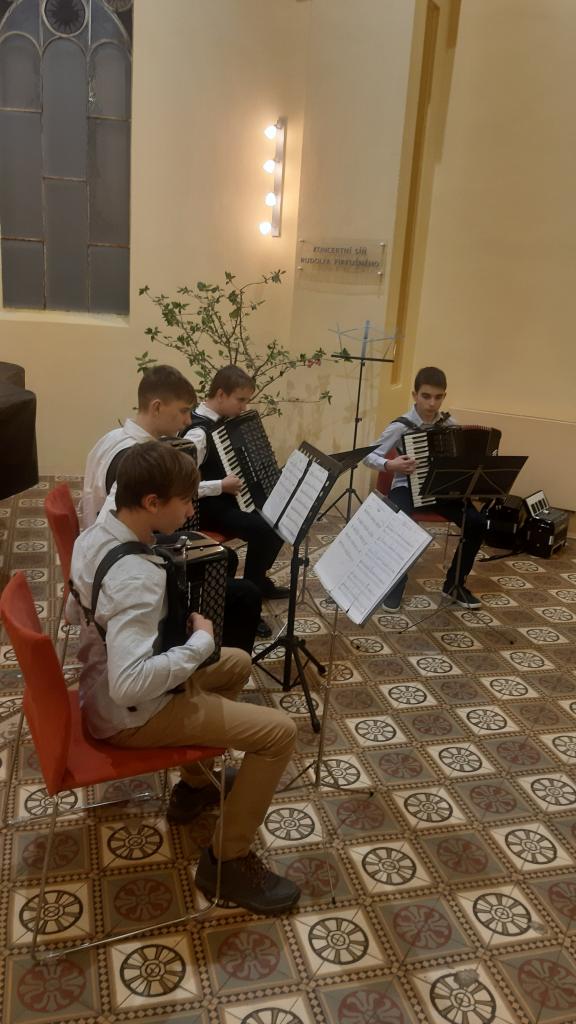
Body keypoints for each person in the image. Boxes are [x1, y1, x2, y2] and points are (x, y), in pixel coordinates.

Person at [69, 441, 300, 915]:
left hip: (98, 687)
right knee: (280, 733)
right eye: (186, 501)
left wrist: (184, 646)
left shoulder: (93, 535)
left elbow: (80, 616)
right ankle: (227, 862)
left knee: (236, 661)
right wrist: (196, 644)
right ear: (151, 502)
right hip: (130, 715)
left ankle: (195, 785)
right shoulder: (136, 576)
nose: (193, 511)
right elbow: (129, 684)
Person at [81, 364, 267, 645]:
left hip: (101, 547)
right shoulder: (141, 460)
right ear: (157, 407)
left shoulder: (112, 438)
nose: (187, 421)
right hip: (123, 564)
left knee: (224, 557)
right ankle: (206, 645)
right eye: (182, 411)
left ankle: (206, 624)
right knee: (245, 591)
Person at [363, 366, 486, 610]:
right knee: (399, 522)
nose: (432, 403)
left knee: (477, 522)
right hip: (407, 487)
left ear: (444, 396)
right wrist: (390, 464)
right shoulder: (401, 426)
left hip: (441, 491)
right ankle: (395, 584)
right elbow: (367, 456)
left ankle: (454, 584)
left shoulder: (450, 424)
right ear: (415, 395)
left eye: (438, 397)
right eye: (426, 396)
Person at [183, 365, 289, 601]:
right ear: (221, 394)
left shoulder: (225, 422)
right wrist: (220, 486)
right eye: (240, 400)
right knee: (264, 529)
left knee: (280, 515)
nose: (244, 407)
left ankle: (257, 580)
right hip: (206, 508)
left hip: (229, 499)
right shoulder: (198, 434)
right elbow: (181, 487)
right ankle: (251, 592)